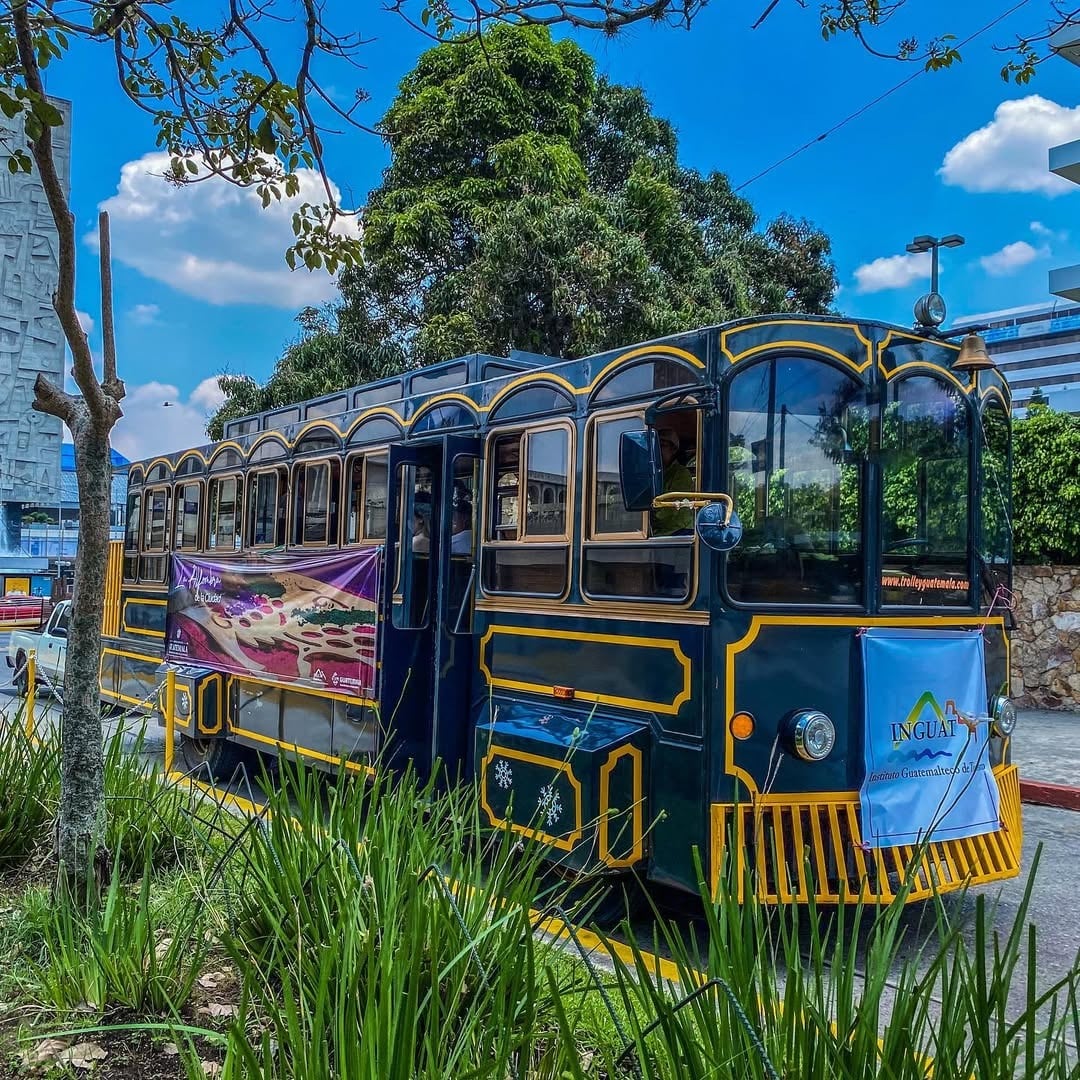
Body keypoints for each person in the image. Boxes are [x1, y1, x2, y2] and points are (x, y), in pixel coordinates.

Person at [652, 427, 694, 536]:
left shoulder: (681, 474)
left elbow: (671, 508)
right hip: (659, 533)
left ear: (673, 450)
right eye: (655, 446)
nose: (657, 450)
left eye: (662, 445)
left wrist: (647, 517)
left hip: (678, 533)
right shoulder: (655, 473)